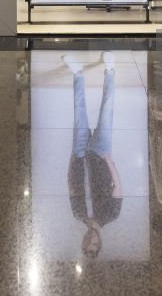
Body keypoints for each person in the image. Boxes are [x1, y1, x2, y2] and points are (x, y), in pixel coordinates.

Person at [64, 53, 122, 258]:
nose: (90, 240)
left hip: (80, 155)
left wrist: (71, 163)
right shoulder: (110, 216)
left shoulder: (78, 214)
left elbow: (71, 186)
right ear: (99, 242)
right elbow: (118, 189)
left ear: (83, 242)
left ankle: (78, 73)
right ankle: (110, 70)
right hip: (100, 155)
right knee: (107, 110)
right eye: (94, 244)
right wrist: (109, 161)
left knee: (78, 111)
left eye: (86, 244)